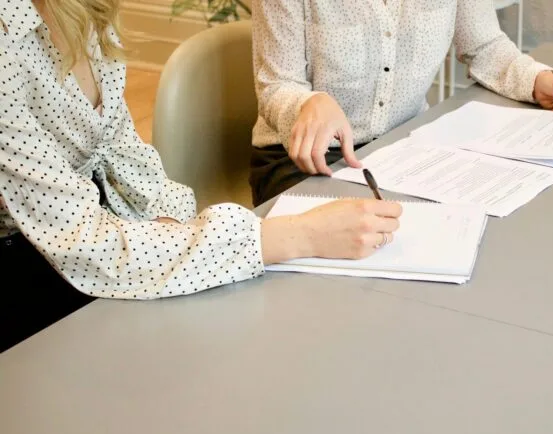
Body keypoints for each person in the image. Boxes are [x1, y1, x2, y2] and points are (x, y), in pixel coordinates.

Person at [0, 0, 402, 353]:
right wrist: (301, 235)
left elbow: (122, 153)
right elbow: (84, 242)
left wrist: (174, 226)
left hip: (93, 233)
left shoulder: (86, 12)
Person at [249, 0, 553, 204]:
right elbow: (277, 84)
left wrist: (538, 80)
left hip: (403, 149)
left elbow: (485, 46)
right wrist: (307, 104)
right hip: (304, 161)